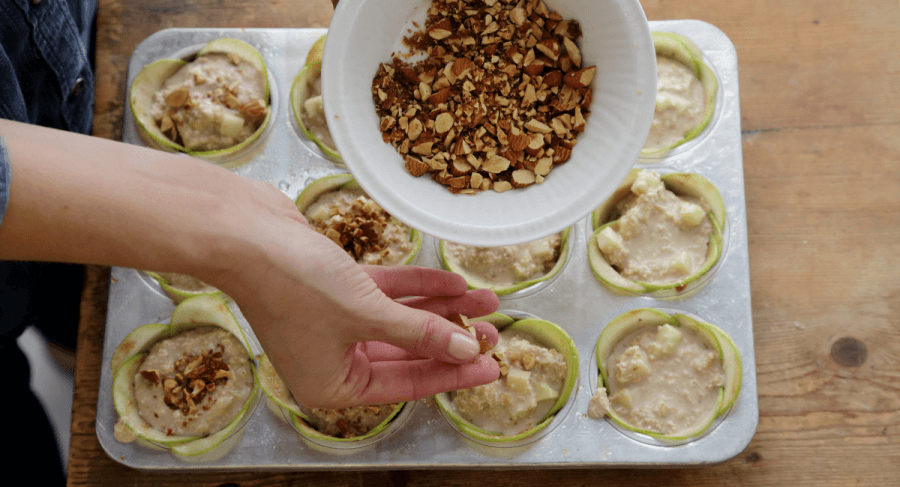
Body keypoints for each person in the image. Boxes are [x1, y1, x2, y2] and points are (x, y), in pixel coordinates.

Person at [1, 0, 500, 482]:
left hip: (66, 71)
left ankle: (65, 340)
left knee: (71, 303)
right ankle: (63, 347)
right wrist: (254, 251)